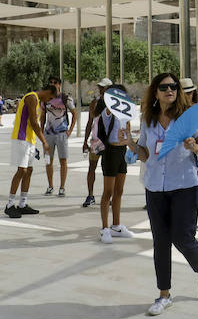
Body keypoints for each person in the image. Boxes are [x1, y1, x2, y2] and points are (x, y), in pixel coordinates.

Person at [133, 72, 198, 313]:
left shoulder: (187, 119)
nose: (170, 90)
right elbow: (145, 155)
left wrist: (195, 146)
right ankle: (164, 295)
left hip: (184, 186)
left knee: (182, 237)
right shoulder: (147, 119)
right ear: (155, 92)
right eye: (164, 87)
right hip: (155, 186)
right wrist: (129, 143)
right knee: (161, 242)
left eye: (173, 87)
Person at [4, 82, 54, 217]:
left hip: (29, 140)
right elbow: (33, 121)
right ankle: (9, 204)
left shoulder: (37, 101)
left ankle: (23, 203)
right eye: (50, 98)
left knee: (29, 171)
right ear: (48, 92)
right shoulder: (31, 98)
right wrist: (44, 141)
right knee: (22, 170)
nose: (48, 101)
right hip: (21, 138)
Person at [94, 85, 135, 243]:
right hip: (110, 152)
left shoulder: (125, 115)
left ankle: (116, 225)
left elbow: (128, 132)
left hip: (122, 152)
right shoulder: (108, 111)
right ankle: (104, 228)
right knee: (108, 192)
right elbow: (110, 108)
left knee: (119, 190)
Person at [81, 78, 113, 208]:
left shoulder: (114, 104)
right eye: (100, 87)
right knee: (92, 168)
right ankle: (90, 195)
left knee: (109, 170)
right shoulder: (95, 103)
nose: (100, 89)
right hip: (96, 140)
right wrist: (85, 141)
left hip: (110, 141)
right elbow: (90, 122)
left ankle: (107, 196)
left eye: (103, 87)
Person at [42, 78, 74, 197]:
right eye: (51, 82)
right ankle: (50, 186)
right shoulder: (46, 99)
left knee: (63, 160)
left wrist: (70, 130)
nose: (53, 84)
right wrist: (41, 132)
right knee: (48, 161)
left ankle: (62, 187)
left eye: (55, 83)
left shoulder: (66, 98)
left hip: (61, 133)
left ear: (60, 85)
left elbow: (74, 114)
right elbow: (42, 116)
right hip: (48, 133)